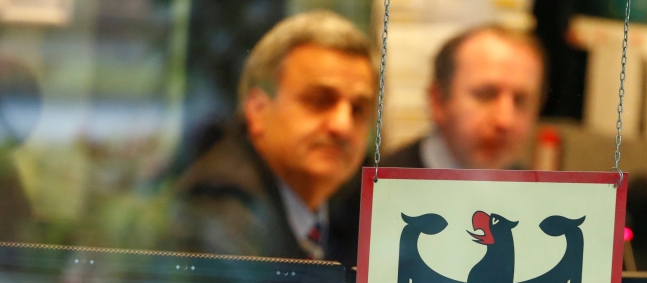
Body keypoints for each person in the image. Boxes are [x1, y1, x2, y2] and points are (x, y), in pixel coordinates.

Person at [163, 11, 374, 266]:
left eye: (359, 109)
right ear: (257, 109)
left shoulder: (357, 205)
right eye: (319, 101)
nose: (343, 125)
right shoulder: (223, 211)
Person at [381, 25, 546, 170]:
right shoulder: (378, 190)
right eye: (486, 95)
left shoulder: (532, 195)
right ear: (438, 101)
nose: (504, 120)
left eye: (520, 100)